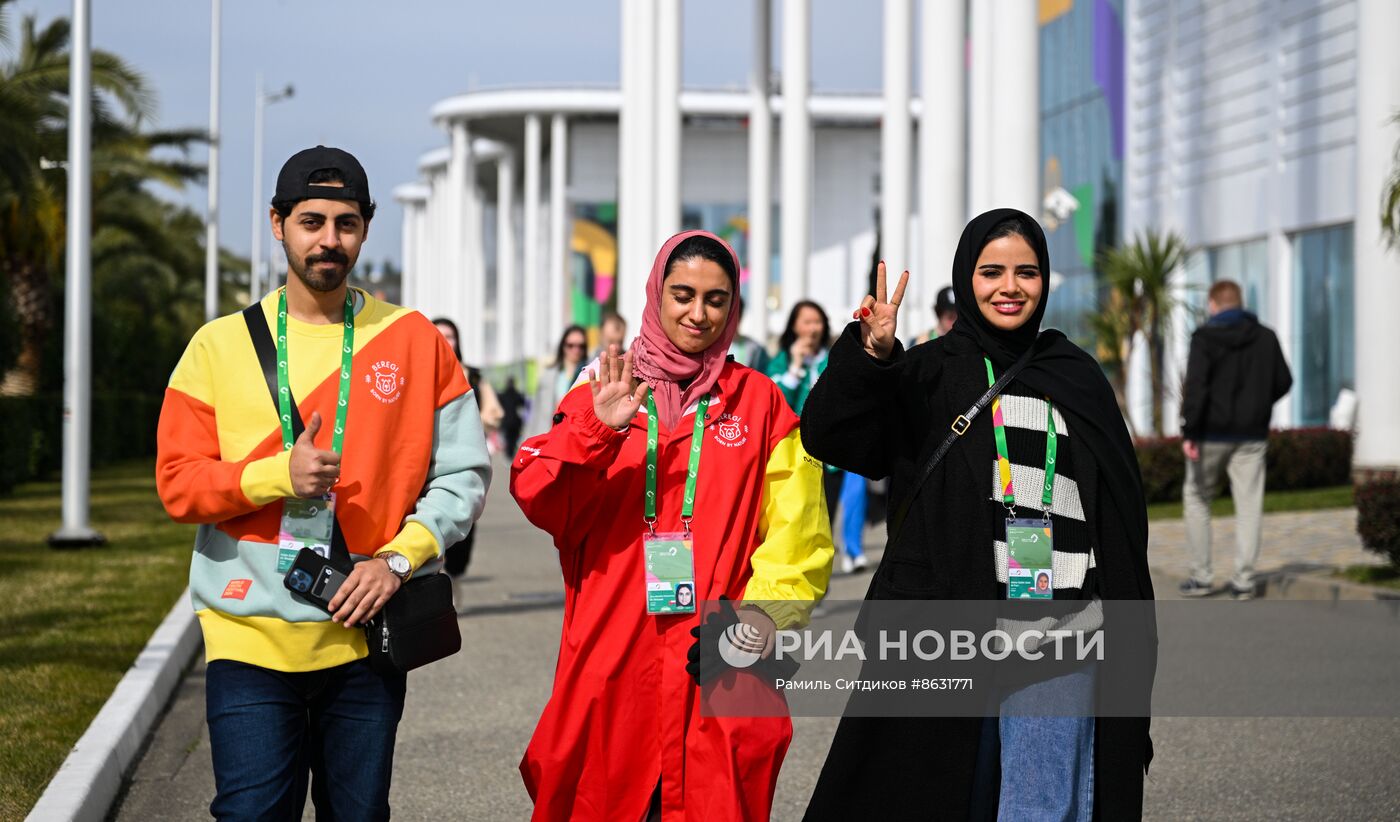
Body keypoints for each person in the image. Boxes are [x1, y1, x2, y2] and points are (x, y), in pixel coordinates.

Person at [155, 145, 491, 820]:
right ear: (278, 224)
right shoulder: (216, 345)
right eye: (311, 221)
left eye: (345, 222)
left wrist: (400, 560)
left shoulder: (415, 338)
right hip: (247, 639)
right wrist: (280, 475)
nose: (328, 240)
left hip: (366, 638)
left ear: (365, 228)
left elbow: (465, 474)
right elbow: (177, 483)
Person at [800, 209, 1154, 820]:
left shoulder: (1075, 375)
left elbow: (1118, 511)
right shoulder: (930, 370)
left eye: (1027, 272)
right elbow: (834, 436)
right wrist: (871, 354)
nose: (1009, 287)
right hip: (947, 630)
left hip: (1058, 627)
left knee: (1040, 805)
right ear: (967, 277)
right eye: (991, 272)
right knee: (929, 793)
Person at [510, 230, 834, 821]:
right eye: (682, 294)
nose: (698, 313)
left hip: (720, 653)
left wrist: (763, 617)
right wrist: (597, 432)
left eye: (716, 299)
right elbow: (541, 498)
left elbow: (800, 538)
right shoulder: (604, 384)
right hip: (614, 651)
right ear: (656, 293)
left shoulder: (761, 404)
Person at [1178, 279, 1292, 601]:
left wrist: (1189, 431)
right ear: (1240, 303)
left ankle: (1201, 578)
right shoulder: (1266, 337)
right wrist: (1258, 404)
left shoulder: (1204, 337)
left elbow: (1196, 386)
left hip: (1209, 434)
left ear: (1213, 304)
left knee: (1198, 499)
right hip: (1252, 435)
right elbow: (1284, 381)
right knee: (1249, 505)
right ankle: (1243, 581)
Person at [767, 302, 869, 573]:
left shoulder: (833, 357)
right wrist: (796, 368)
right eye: (806, 322)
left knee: (825, 520)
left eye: (817, 322)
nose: (812, 328)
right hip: (794, 455)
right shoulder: (782, 360)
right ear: (793, 326)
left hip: (831, 456)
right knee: (798, 521)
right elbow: (776, 403)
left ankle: (821, 583)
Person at [433, 317, 504, 604]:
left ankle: (455, 577)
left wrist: (471, 426)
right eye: (439, 335)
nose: (445, 341)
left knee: (462, 521)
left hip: (464, 460)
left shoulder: (472, 375)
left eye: (450, 335)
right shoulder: (415, 370)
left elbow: (494, 412)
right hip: (426, 460)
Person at [524, 324, 589, 440]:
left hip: (574, 439)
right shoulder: (548, 375)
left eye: (581, 346)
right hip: (546, 436)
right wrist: (526, 441)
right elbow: (535, 413)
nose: (576, 349)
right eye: (571, 345)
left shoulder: (589, 376)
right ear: (563, 346)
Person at [497, 376, 528, 456]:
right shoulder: (517, 394)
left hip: (506, 421)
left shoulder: (502, 395)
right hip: (515, 421)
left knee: (508, 439)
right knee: (514, 439)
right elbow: (523, 403)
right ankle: (511, 453)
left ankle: (509, 454)